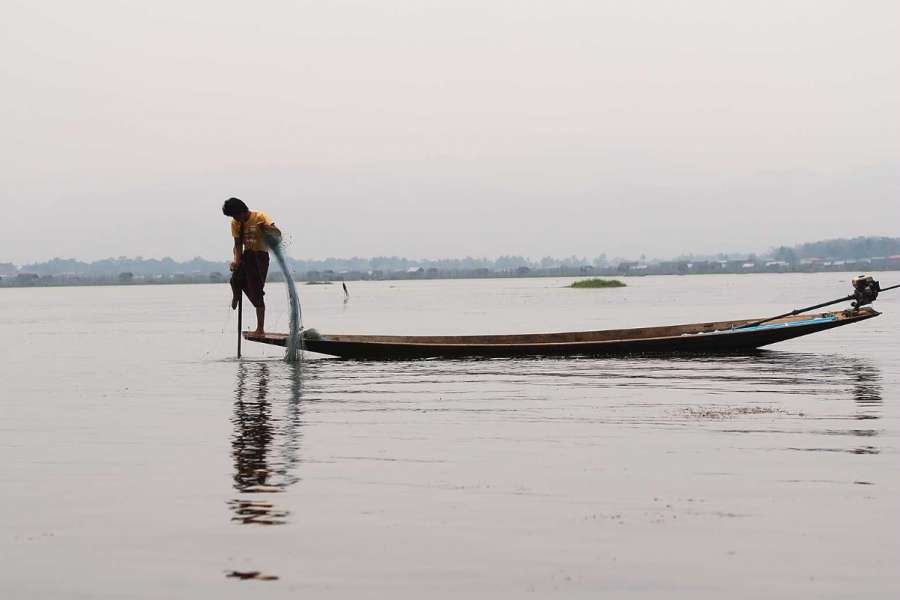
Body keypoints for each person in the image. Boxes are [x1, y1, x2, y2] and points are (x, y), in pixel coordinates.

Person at [222, 197, 281, 334]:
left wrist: (265, 228)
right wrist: (236, 261)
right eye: (233, 217)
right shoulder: (235, 223)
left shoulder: (260, 217)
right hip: (246, 255)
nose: (235, 219)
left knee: (256, 292)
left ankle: (260, 328)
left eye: (236, 215)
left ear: (242, 211)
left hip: (259, 257)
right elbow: (237, 244)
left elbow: (277, 234)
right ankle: (236, 295)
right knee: (235, 279)